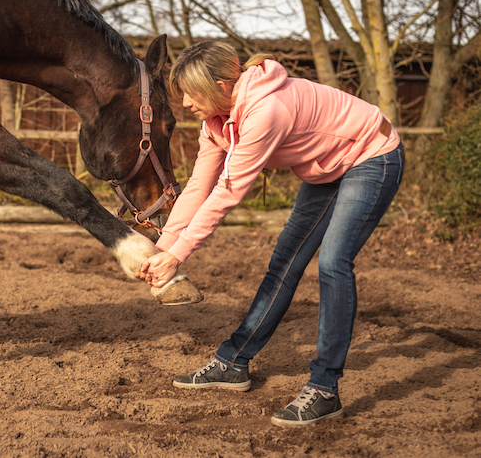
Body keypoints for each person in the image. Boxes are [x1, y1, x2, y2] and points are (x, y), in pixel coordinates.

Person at [136, 41, 404, 427]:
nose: (186, 104)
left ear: (221, 86)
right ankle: (232, 363)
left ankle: (325, 389)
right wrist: (162, 249)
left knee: (332, 261)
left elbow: (227, 192)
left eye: (192, 94)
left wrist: (179, 256)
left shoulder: (267, 110)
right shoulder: (215, 123)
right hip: (327, 167)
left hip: (372, 155)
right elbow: (199, 186)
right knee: (285, 261)